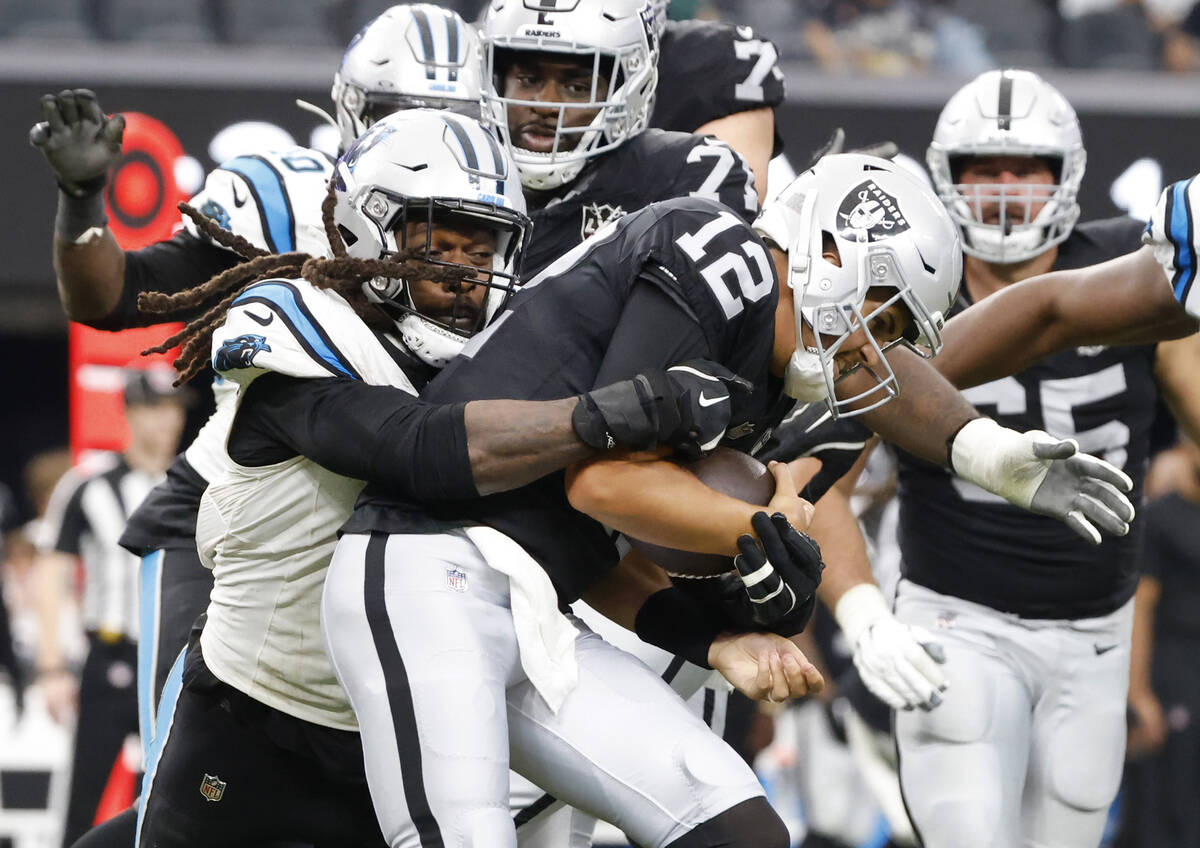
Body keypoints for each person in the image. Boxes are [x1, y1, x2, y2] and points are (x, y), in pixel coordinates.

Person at [320, 147, 1140, 847]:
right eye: (881, 320)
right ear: (824, 258)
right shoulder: (716, 255)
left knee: (735, 827)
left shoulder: (768, 366)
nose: (879, 353)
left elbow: (585, 535)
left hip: (541, 607)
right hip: (424, 575)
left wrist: (716, 641)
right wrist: (759, 521)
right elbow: (604, 481)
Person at [133, 107, 767, 848]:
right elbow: (413, 449)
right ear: (369, 227)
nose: (467, 276)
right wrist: (616, 412)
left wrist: (710, 633)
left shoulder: (498, 372)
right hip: (248, 721)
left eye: (484, 248)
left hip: (394, 729)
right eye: (442, 245)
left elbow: (545, 556)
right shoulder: (296, 315)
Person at [880, 69, 1200, 848]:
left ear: (1069, 176)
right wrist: (855, 607)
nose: (1006, 189)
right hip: (957, 609)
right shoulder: (905, 278)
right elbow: (831, 458)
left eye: (1028, 168)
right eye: (984, 169)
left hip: (1095, 624)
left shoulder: (1126, 259)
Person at [476, 0, 760, 279]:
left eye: (577, 87)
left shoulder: (682, 174)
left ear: (631, 86)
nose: (546, 105)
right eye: (527, 80)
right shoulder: (460, 157)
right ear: (496, 79)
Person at [34, 368, 187, 848]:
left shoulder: (196, 483)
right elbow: (52, 572)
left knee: (164, 802)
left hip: (171, 664)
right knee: (83, 800)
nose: (167, 421)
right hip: (109, 658)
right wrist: (51, 665)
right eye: (154, 408)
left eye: (174, 408)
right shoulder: (88, 484)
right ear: (129, 412)